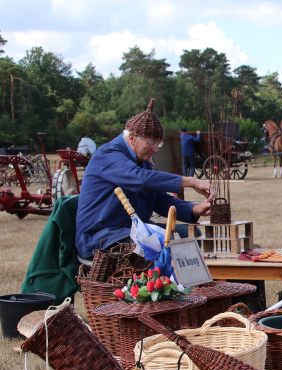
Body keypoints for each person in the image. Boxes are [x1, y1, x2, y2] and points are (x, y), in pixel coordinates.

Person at [75, 99, 216, 259]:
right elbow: (141, 179)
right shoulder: (107, 155)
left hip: (133, 231)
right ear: (132, 137)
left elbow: (159, 200)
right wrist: (192, 181)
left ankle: (181, 276)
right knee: (160, 243)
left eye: (158, 144)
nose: (156, 150)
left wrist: (194, 209)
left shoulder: (142, 161)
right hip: (103, 237)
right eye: (151, 143)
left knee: (190, 234)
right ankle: (164, 275)